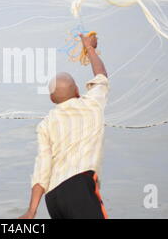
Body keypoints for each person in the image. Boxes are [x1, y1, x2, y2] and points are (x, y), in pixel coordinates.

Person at [18, 33, 109, 219]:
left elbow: (42, 168)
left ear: (52, 99)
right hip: (80, 187)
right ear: (77, 90)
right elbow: (101, 76)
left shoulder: (46, 124)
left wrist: (31, 211)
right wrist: (89, 48)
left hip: (54, 198)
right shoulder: (92, 104)